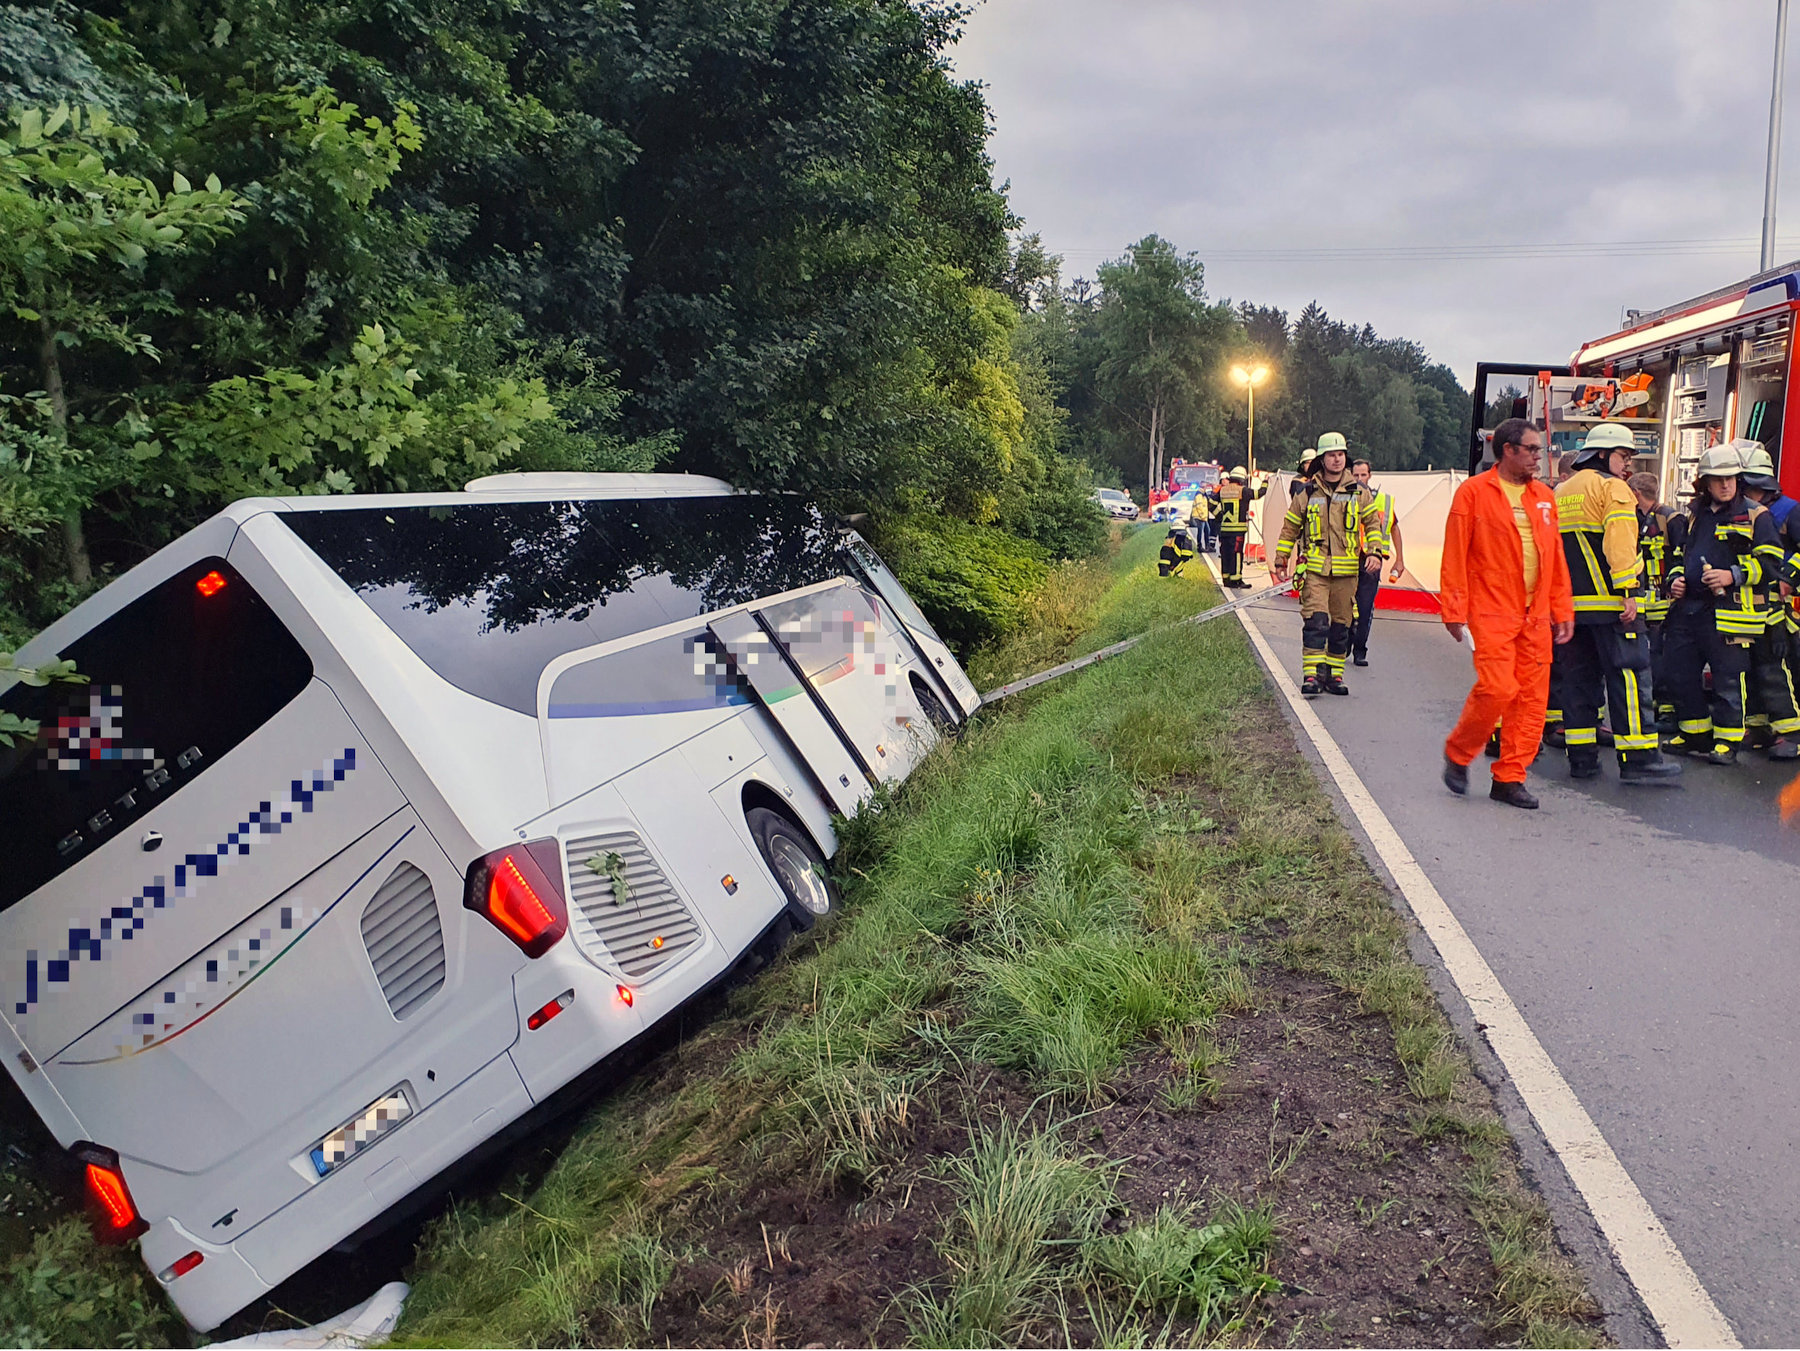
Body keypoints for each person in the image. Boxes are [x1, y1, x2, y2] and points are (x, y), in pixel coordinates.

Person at [1441, 418, 1574, 809]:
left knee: (1532, 701)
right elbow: (1455, 553)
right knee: (1498, 688)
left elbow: (1556, 558)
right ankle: (1460, 753)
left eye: (1540, 450)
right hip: (1492, 610)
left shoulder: (1545, 497)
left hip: (1536, 614)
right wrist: (1454, 608)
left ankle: (1510, 777)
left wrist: (1561, 607)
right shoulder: (1473, 493)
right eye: (1532, 449)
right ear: (1507, 450)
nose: (1539, 456)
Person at [1550, 422, 1679, 782]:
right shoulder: (1614, 489)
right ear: (1604, 455)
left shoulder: (1562, 492)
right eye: (1624, 456)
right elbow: (1619, 545)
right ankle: (1639, 759)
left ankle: (1582, 758)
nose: (1628, 465)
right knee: (1630, 678)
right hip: (1612, 607)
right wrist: (1629, 594)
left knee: (1578, 682)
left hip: (1573, 609)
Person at [1662, 446, 1787, 763]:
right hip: (1689, 609)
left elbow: (1771, 564)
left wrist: (1732, 575)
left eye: (1731, 478)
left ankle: (1728, 743)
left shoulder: (1756, 516)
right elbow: (1680, 555)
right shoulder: (1695, 515)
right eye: (1718, 479)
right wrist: (1675, 579)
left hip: (1729, 612)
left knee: (1728, 678)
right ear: (1704, 482)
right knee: (1681, 673)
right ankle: (1695, 734)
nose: (1725, 485)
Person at [1271, 431, 1389, 696]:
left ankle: (1334, 676)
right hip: (1315, 572)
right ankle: (1311, 676)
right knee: (1316, 622)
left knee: (1340, 626)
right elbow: (1290, 527)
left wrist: (1374, 552)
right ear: (1322, 460)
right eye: (1331, 455)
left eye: (1340, 454)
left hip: (1347, 574)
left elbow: (1372, 525)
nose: (1337, 460)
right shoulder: (1307, 492)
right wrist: (1281, 560)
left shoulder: (1359, 493)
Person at [1729, 441, 1800, 759]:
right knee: (1753, 669)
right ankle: (1759, 728)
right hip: (1752, 606)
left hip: (1775, 609)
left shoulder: (1790, 511)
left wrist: (1788, 578)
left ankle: (1793, 734)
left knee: (1774, 669)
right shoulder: (1748, 512)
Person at [1628, 471, 1676, 733]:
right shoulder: (1638, 519)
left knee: (1662, 658)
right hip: (1646, 607)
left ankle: (1667, 710)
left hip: (1666, 607)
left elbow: (1680, 557)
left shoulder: (1669, 519)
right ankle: (1656, 706)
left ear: (1636, 493)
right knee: (1650, 658)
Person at [1349, 457, 1406, 666]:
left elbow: (1394, 527)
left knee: (1365, 607)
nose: (1360, 478)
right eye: (1355, 475)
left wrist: (1400, 559)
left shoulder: (1382, 500)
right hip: (1349, 558)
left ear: (1370, 475)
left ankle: (1359, 650)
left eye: (1363, 474)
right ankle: (1345, 641)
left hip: (1372, 560)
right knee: (1344, 605)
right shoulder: (1344, 497)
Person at [1216, 466, 1266, 588]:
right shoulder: (1243, 491)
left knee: (1226, 554)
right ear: (1242, 479)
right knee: (1237, 554)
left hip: (1224, 530)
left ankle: (1226, 579)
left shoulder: (1222, 490)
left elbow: (1211, 503)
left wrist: (1219, 516)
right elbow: (1258, 493)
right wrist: (1265, 482)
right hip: (1237, 531)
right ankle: (1236, 580)